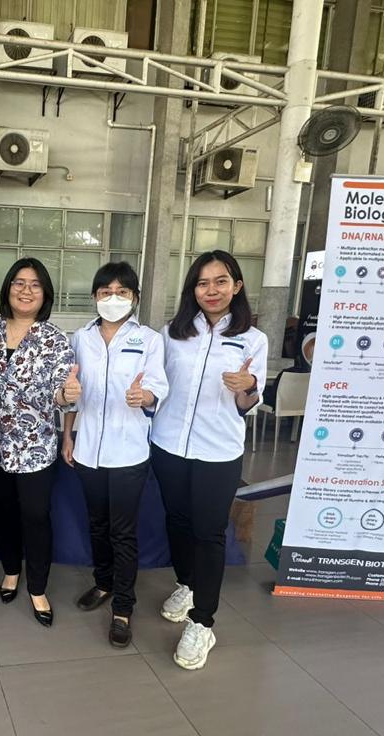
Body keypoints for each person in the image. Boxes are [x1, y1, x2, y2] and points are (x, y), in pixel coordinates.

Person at [151, 250, 267, 670]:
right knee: (177, 522)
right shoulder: (172, 333)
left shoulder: (253, 339)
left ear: (236, 286)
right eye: (202, 283)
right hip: (168, 445)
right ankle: (187, 584)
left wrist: (247, 385)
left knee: (209, 533)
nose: (211, 290)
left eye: (220, 281)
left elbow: (248, 404)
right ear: (192, 289)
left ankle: (203, 621)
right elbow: (157, 385)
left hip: (218, 451)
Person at [61, 262, 168, 649]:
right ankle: (103, 583)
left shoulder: (149, 340)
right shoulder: (81, 338)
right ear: (95, 297)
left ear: (135, 298)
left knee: (122, 532)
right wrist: (68, 436)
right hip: (88, 448)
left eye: (122, 292)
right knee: (97, 524)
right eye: (105, 292)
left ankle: (123, 608)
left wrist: (145, 396)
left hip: (128, 452)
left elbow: (157, 385)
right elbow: (71, 390)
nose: (113, 298)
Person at [0, 258, 76, 627]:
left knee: (35, 516)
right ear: (7, 288)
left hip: (36, 447)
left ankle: (37, 587)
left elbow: (62, 391)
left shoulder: (55, 339)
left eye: (35, 284)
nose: (26, 290)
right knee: (3, 511)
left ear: (45, 294)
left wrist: (66, 395)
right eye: (19, 282)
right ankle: (10, 571)